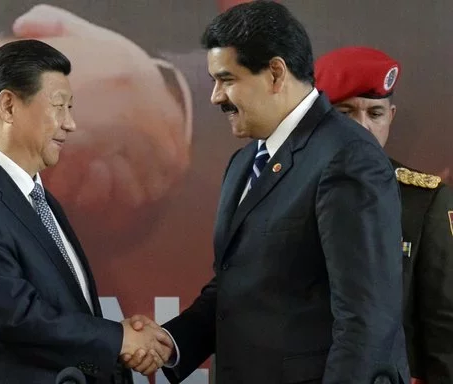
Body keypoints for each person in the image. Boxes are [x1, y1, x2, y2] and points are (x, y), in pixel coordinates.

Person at [124, 1, 409, 382]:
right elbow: (236, 287)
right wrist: (172, 342)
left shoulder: (349, 158)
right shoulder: (244, 163)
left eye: (227, 79)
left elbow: (366, 318)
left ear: (275, 73)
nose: (215, 97)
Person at [0, 39, 172, 384]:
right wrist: (118, 339)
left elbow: (64, 310)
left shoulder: (39, 197)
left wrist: (117, 337)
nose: (70, 124)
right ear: (8, 106)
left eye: (71, 108)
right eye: (59, 106)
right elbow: (13, 316)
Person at [315, 46, 453, 384]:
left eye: (374, 114)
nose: (362, 127)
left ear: (390, 117)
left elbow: (444, 326)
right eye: (346, 112)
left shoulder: (425, 201)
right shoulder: (283, 191)